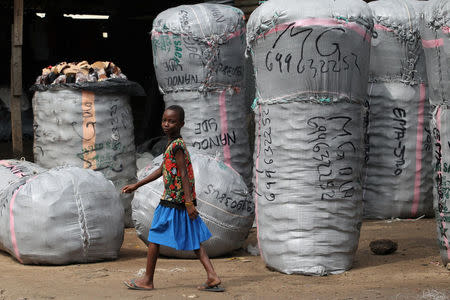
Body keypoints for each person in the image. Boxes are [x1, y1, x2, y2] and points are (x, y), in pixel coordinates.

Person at [122, 105, 224, 292]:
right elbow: (163, 169)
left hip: (174, 200)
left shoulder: (177, 145)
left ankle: (147, 280)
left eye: (172, 121)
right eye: (164, 120)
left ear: (181, 124)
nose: (166, 124)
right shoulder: (172, 143)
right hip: (182, 201)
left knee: (154, 237)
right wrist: (137, 185)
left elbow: (183, 173)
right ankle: (212, 276)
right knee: (194, 240)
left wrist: (187, 204)